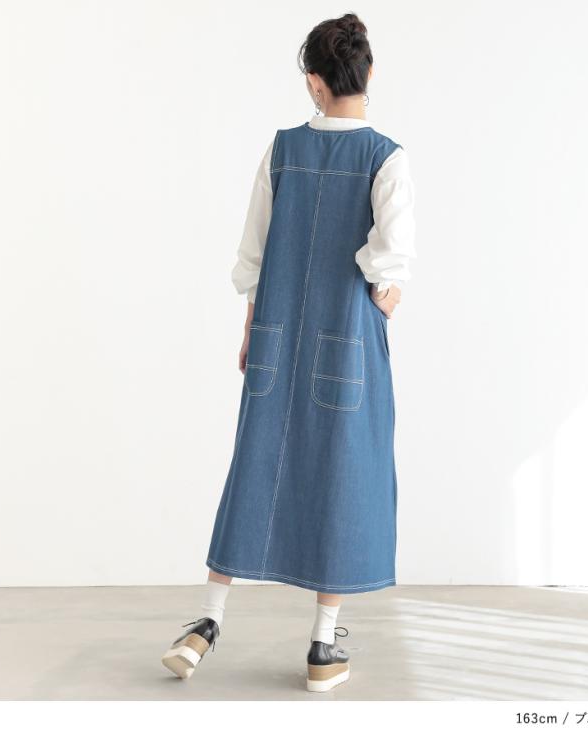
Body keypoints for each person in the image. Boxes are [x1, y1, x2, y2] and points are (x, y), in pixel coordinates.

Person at [162, 12, 416, 692]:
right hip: (348, 336)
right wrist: (383, 290)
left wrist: (252, 326)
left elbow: (254, 250)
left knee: (255, 462)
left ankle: (206, 622)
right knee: (343, 472)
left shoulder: (280, 150)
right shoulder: (387, 157)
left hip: (276, 331)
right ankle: (322, 646)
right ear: (369, 72)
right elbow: (391, 257)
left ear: (313, 81)